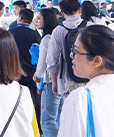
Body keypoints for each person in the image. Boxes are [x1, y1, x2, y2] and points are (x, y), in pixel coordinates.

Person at [47, 0, 90, 97]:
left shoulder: (58, 30)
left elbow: (52, 58)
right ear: (79, 9)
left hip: (67, 79)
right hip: (89, 76)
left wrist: (54, 82)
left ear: (62, 12)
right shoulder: (90, 26)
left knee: (72, 105)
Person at [9, 8, 42, 133]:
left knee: (15, 99)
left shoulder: (10, 33)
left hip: (14, 71)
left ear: (20, 18)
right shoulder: (34, 34)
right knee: (34, 100)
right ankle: (36, 127)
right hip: (31, 71)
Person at [33, 8, 63, 137]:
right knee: (59, 117)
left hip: (50, 81)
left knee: (47, 121)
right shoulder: (59, 35)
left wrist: (37, 75)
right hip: (61, 80)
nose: (36, 21)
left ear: (47, 20)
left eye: (39, 18)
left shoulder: (46, 39)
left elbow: (43, 62)